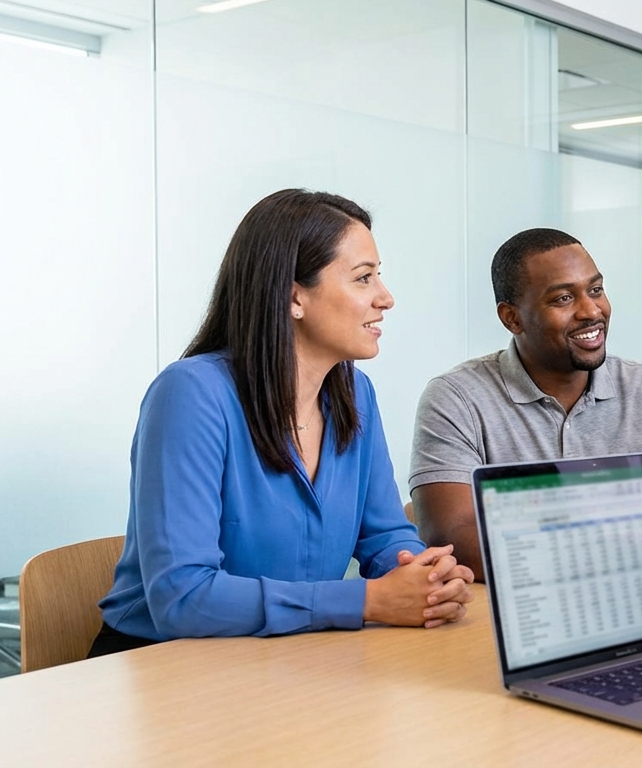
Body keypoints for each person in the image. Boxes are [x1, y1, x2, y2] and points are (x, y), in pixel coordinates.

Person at [91, 189, 474, 655]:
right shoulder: (192, 395)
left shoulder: (356, 394)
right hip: (162, 663)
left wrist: (428, 578)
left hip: (289, 655)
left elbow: (383, 535)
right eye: (363, 278)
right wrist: (368, 600)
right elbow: (183, 597)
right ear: (294, 296)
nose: (385, 298)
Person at [410, 228, 642, 577]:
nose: (591, 311)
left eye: (595, 290)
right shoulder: (456, 398)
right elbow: (454, 539)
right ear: (512, 318)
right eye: (563, 298)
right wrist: (636, 539)